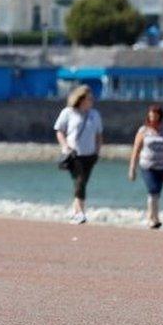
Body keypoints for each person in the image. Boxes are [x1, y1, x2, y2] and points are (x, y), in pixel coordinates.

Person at [128, 104, 163, 229]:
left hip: (162, 167)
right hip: (147, 166)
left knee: (157, 193)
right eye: (151, 114)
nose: (153, 116)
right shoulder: (143, 131)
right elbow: (136, 150)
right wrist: (132, 168)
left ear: (159, 116)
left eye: (156, 114)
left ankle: (155, 217)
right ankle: (151, 219)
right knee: (152, 190)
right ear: (148, 115)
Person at [54, 85, 103, 224]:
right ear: (80, 99)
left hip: (90, 154)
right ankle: (81, 213)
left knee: (82, 183)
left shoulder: (95, 114)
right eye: (88, 99)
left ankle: (75, 212)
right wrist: (65, 146)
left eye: (91, 99)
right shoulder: (68, 112)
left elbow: (99, 135)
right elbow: (59, 130)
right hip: (74, 154)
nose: (91, 101)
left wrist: (98, 151)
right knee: (80, 181)